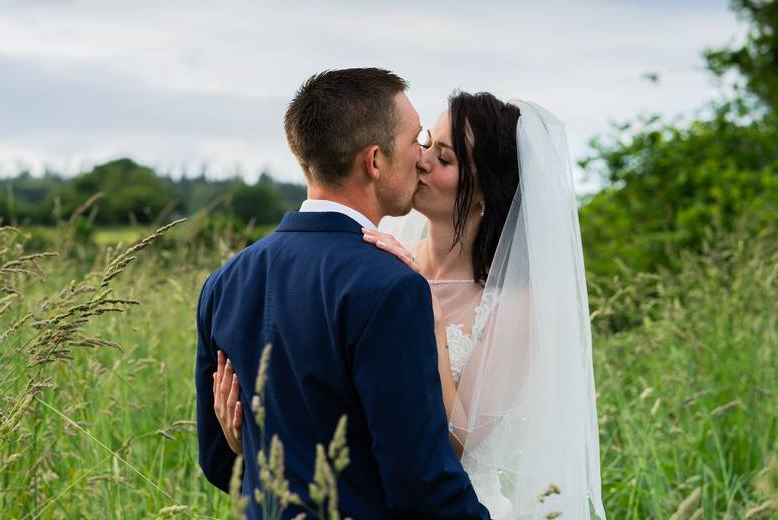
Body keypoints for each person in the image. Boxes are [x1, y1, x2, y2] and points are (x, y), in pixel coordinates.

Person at [215, 89, 607, 519]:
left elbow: (461, 441)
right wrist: (253, 436)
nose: (420, 161)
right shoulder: (380, 261)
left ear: (485, 192)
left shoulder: (518, 302)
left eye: (445, 159)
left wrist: (432, 320)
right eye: (424, 143)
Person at [196, 68, 490, 519]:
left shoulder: (223, 282)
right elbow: (422, 485)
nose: (422, 157)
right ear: (374, 162)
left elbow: (220, 463)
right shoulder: (392, 287)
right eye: (416, 141)